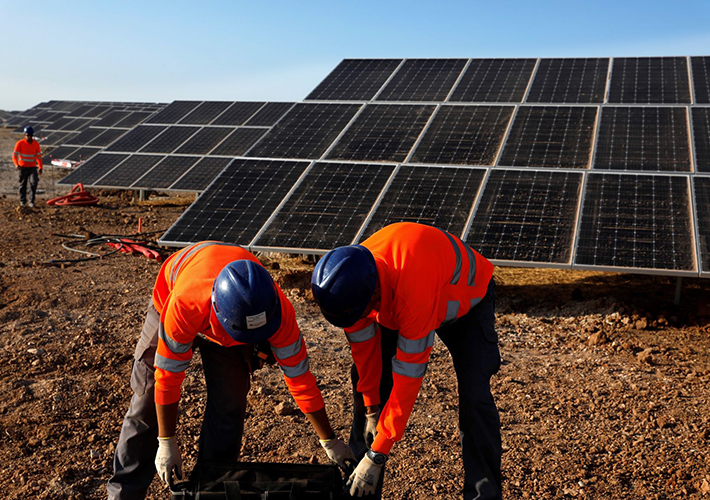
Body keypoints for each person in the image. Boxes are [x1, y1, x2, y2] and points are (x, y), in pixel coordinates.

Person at [107, 241, 355, 500]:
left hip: (233, 321)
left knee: (230, 401)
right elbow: (167, 379)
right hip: (174, 301)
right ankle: (124, 493)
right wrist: (167, 441)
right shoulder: (185, 303)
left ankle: (212, 489)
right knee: (147, 400)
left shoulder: (279, 314)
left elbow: (300, 380)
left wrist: (330, 441)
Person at [311, 222, 502, 500]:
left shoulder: (411, 292)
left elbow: (408, 377)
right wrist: (372, 408)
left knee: (475, 397)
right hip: (401, 295)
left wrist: (378, 454)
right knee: (362, 384)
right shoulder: (348, 287)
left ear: (374, 294)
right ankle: (359, 491)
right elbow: (366, 355)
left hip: (466, 300)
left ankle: (483, 495)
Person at [12, 125, 43, 208]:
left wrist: (40, 167)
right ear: (24, 135)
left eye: (31, 135)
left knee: (34, 182)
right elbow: (14, 155)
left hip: (32, 167)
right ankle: (23, 201)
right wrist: (16, 164)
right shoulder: (20, 143)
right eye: (27, 135)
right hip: (22, 167)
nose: (29, 137)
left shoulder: (36, 144)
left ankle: (31, 201)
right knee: (23, 184)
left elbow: (39, 157)